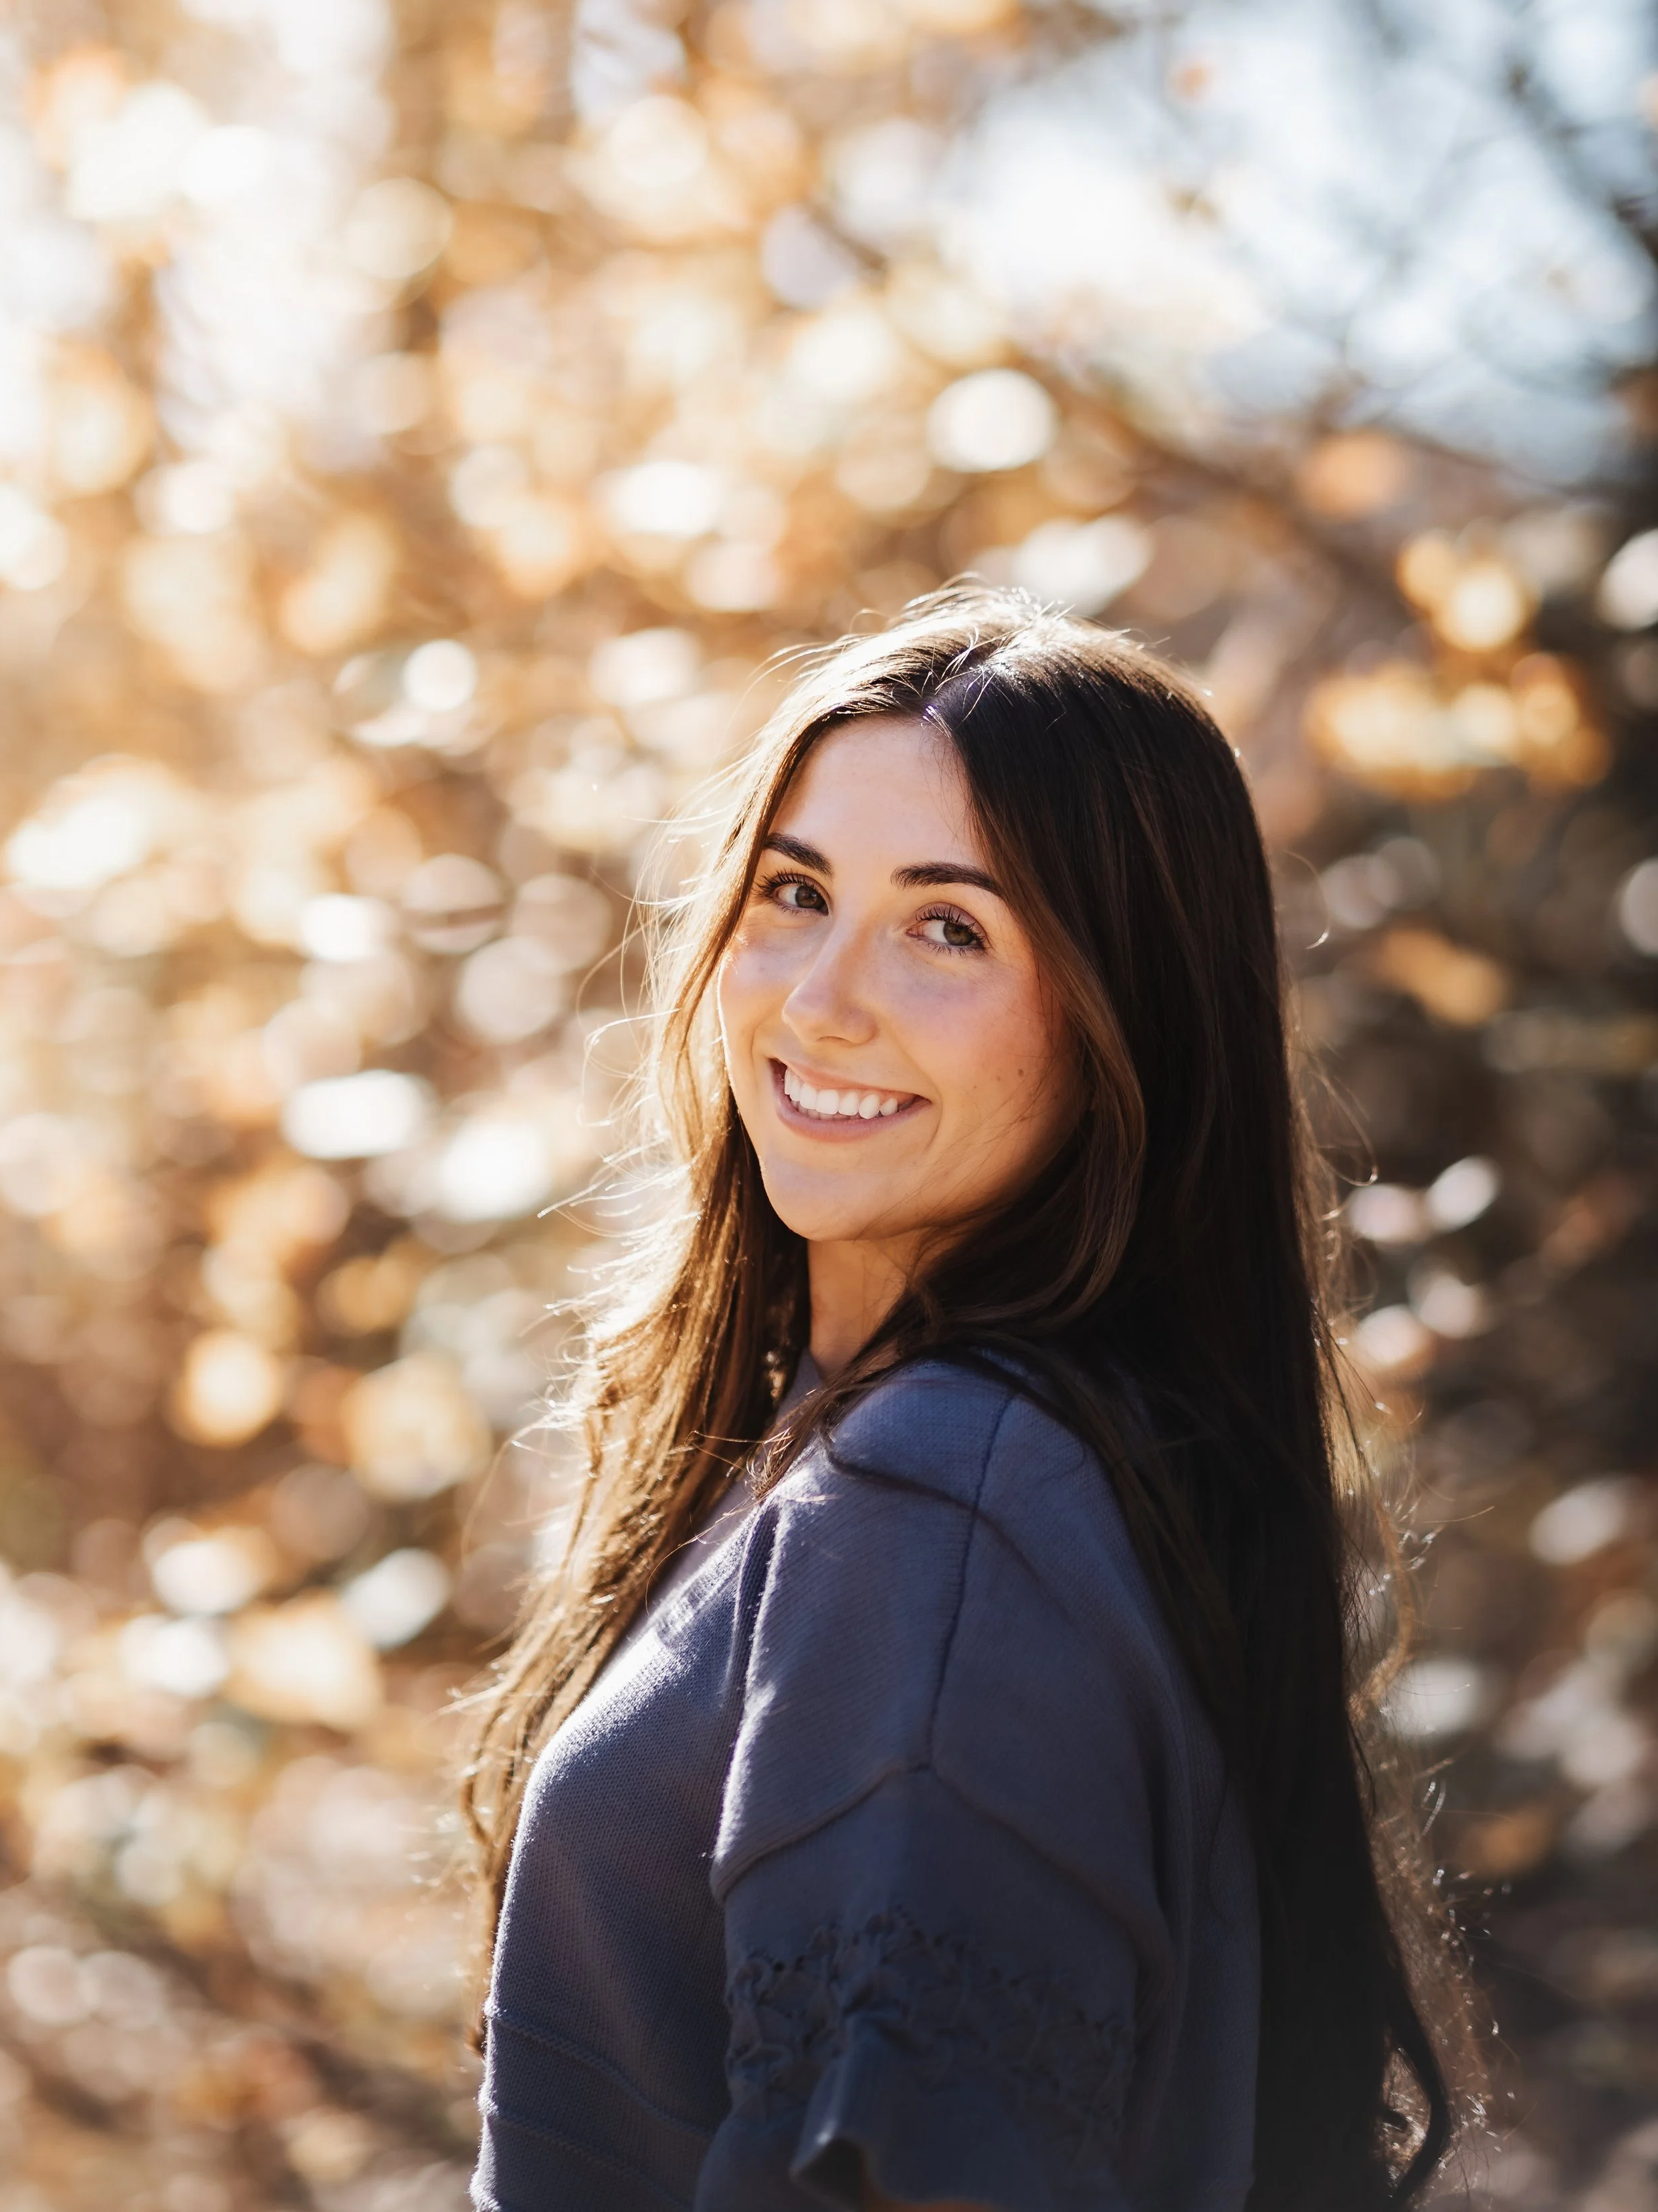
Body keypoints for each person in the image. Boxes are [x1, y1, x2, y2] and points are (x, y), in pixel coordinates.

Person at [463, 592, 1480, 2212]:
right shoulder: (928, 1456)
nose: (818, 1000)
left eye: (948, 928)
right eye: (793, 892)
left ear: (1114, 1017)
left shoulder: (940, 1513)